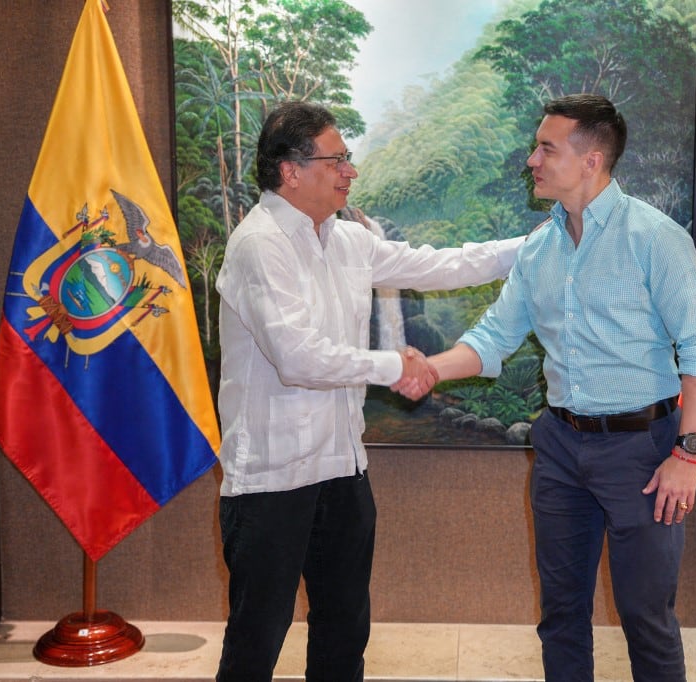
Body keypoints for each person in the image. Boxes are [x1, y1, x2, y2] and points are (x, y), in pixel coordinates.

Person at [399, 94, 696, 681]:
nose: (532, 160)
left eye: (546, 149)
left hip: (643, 452)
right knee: (561, 616)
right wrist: (429, 368)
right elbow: (494, 336)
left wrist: (688, 455)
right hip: (559, 448)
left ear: (591, 160)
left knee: (646, 619)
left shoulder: (655, 238)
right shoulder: (539, 247)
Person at [214, 100, 524, 681]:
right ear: (290, 171)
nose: (350, 171)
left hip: (342, 469)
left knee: (344, 629)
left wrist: (534, 246)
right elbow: (297, 357)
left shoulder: (347, 240)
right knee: (258, 637)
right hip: (272, 480)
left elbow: (439, 265)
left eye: (347, 159)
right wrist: (394, 364)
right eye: (336, 161)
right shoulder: (259, 244)